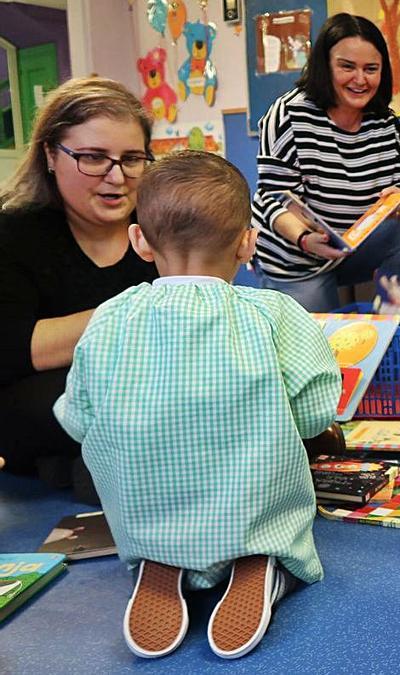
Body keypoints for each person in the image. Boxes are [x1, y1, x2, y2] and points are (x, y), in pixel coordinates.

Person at [54, 151, 341, 659]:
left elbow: (77, 418)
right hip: (252, 504)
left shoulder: (111, 317)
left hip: (146, 509)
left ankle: (162, 559)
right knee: (273, 491)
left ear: (139, 241)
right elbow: (315, 411)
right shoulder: (271, 312)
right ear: (248, 243)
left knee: (144, 490)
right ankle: (264, 558)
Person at [0, 77, 158, 503]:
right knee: (76, 392)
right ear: (51, 154)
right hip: (40, 402)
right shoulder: (14, 231)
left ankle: (90, 466)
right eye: (92, 158)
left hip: (144, 395)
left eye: (132, 158)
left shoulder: (161, 223)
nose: (117, 176)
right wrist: (140, 311)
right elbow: (15, 350)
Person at [252, 12, 400, 312]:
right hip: (297, 256)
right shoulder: (287, 115)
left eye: (371, 69)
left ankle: (397, 326)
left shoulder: (386, 122)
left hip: (354, 246)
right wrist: (306, 239)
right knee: (320, 347)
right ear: (325, 66)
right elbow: (273, 200)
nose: (360, 80)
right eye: (347, 67)